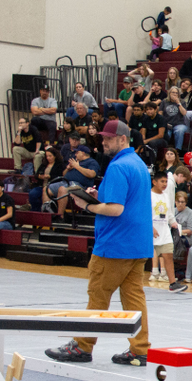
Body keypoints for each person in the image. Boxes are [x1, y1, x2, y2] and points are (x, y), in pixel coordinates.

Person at [46, 121, 154, 366]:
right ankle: (140, 349)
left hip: (115, 244)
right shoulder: (137, 164)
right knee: (134, 298)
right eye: (103, 138)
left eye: (109, 138)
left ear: (123, 139)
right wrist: (99, 198)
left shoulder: (118, 167)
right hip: (137, 244)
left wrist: (88, 205)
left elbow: (115, 209)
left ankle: (83, 345)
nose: (103, 142)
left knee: (98, 295)